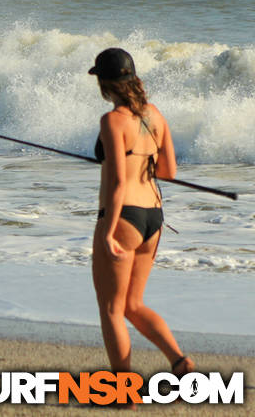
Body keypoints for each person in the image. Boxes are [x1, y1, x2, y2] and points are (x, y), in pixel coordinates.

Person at [89, 48, 194, 378]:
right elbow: (169, 171)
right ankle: (179, 361)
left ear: (104, 84)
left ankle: (122, 391)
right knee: (133, 304)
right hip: (153, 218)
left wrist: (106, 232)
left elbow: (119, 182)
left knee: (112, 309)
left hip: (123, 219)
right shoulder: (155, 115)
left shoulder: (112, 120)